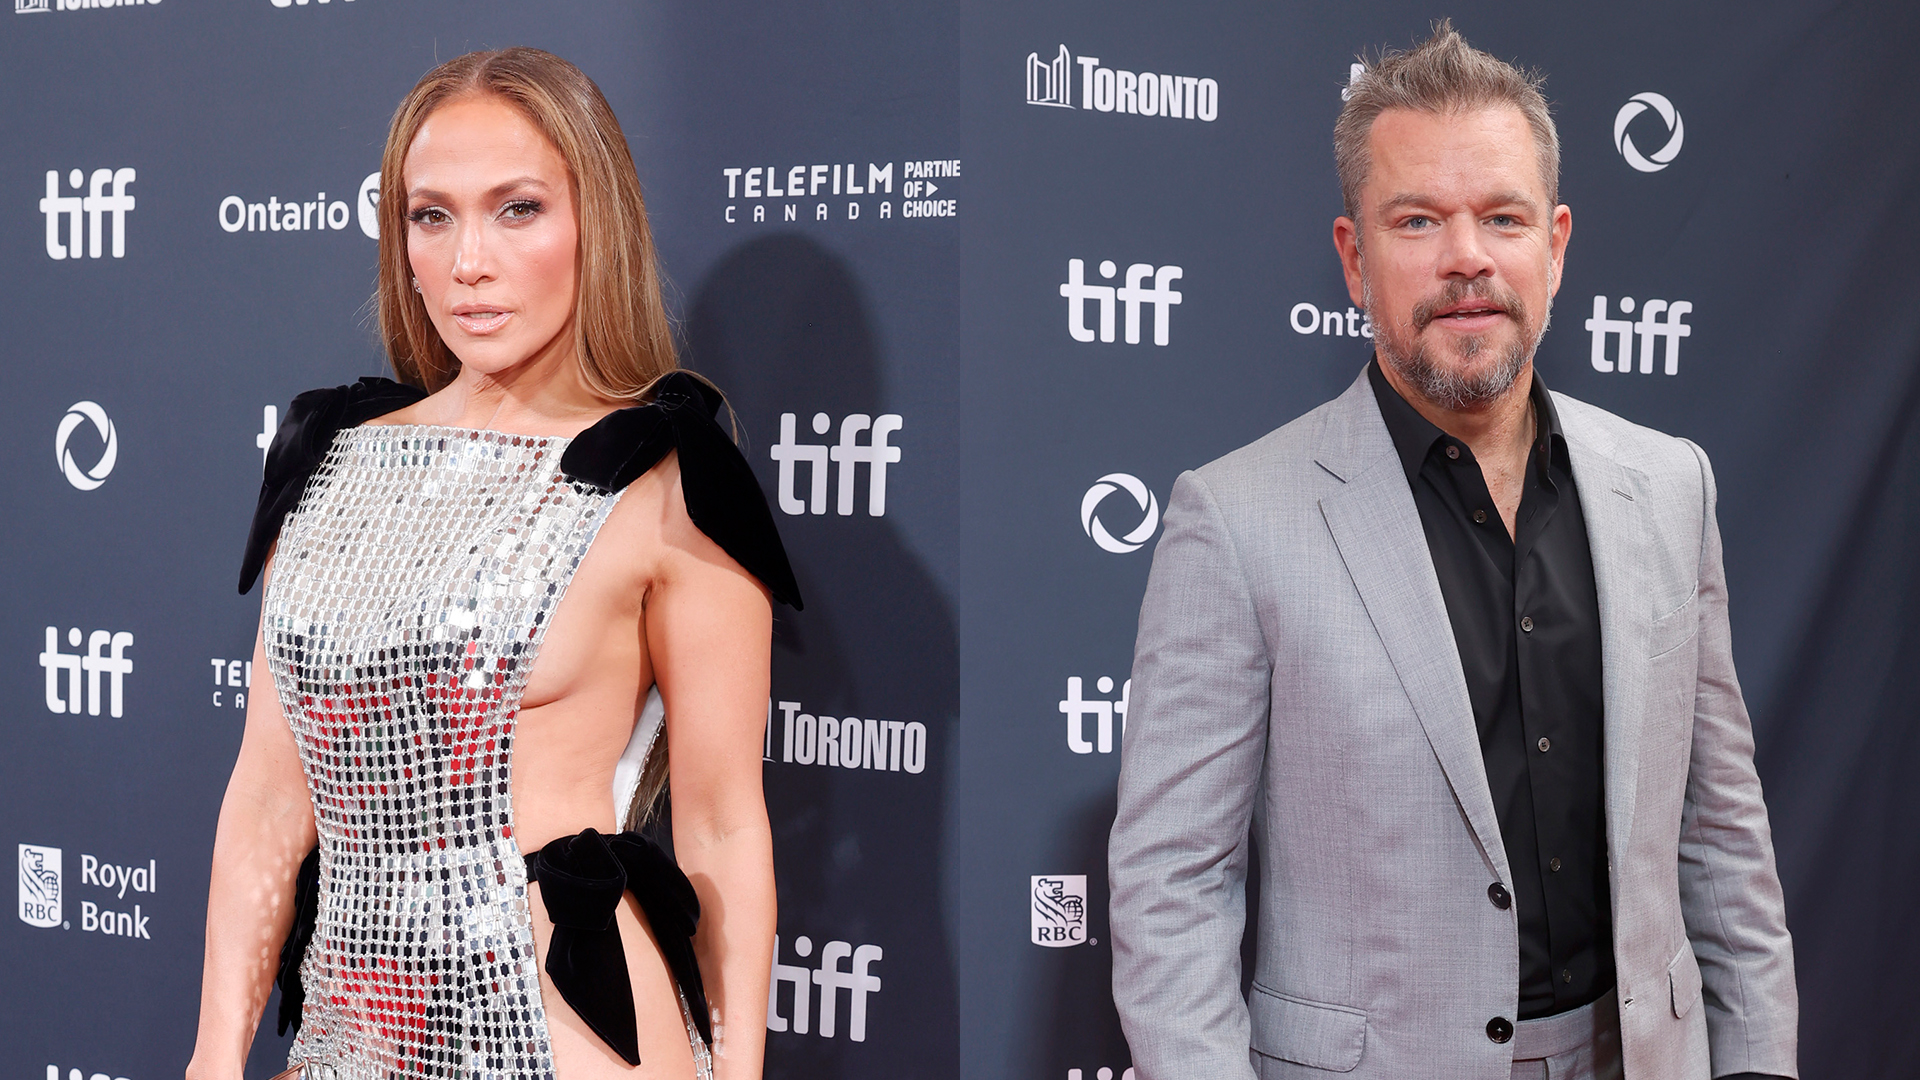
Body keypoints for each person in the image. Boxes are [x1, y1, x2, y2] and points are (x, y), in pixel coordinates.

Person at [1108, 23, 1796, 1080]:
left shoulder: (1670, 486)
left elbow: (1720, 838)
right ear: (1355, 258)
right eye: (1419, 219)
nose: (1467, 256)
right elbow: (1172, 889)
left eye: (1503, 218)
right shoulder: (1236, 521)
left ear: (1555, 246)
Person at [186, 48, 800, 1080]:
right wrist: (214, 1056)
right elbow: (267, 799)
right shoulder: (329, 459)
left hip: (564, 1023)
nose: (470, 260)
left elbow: (724, 827)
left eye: (518, 210)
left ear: (594, 223)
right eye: (432, 216)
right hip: (354, 1025)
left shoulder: (662, 480)